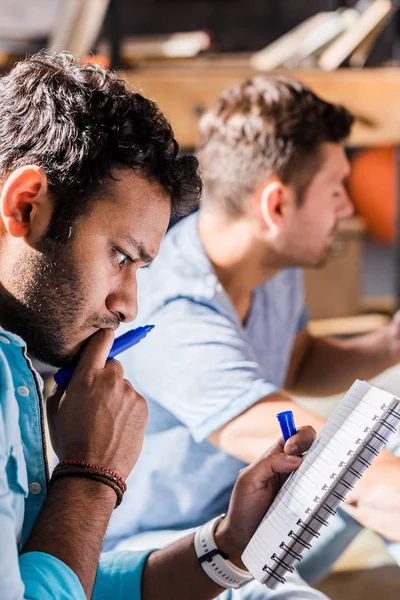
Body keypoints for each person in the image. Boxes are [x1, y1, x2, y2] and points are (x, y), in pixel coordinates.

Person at [0, 53, 325, 600]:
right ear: (26, 206)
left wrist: (226, 548)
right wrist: (90, 475)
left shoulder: (19, 368)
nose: (128, 305)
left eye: (141, 269)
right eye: (121, 257)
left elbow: (59, 581)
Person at [110, 74, 400, 593]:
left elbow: (296, 360)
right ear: (277, 206)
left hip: (253, 511)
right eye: (336, 190)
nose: (348, 208)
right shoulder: (174, 311)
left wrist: (390, 344)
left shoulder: (273, 266)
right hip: (165, 545)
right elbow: (318, 461)